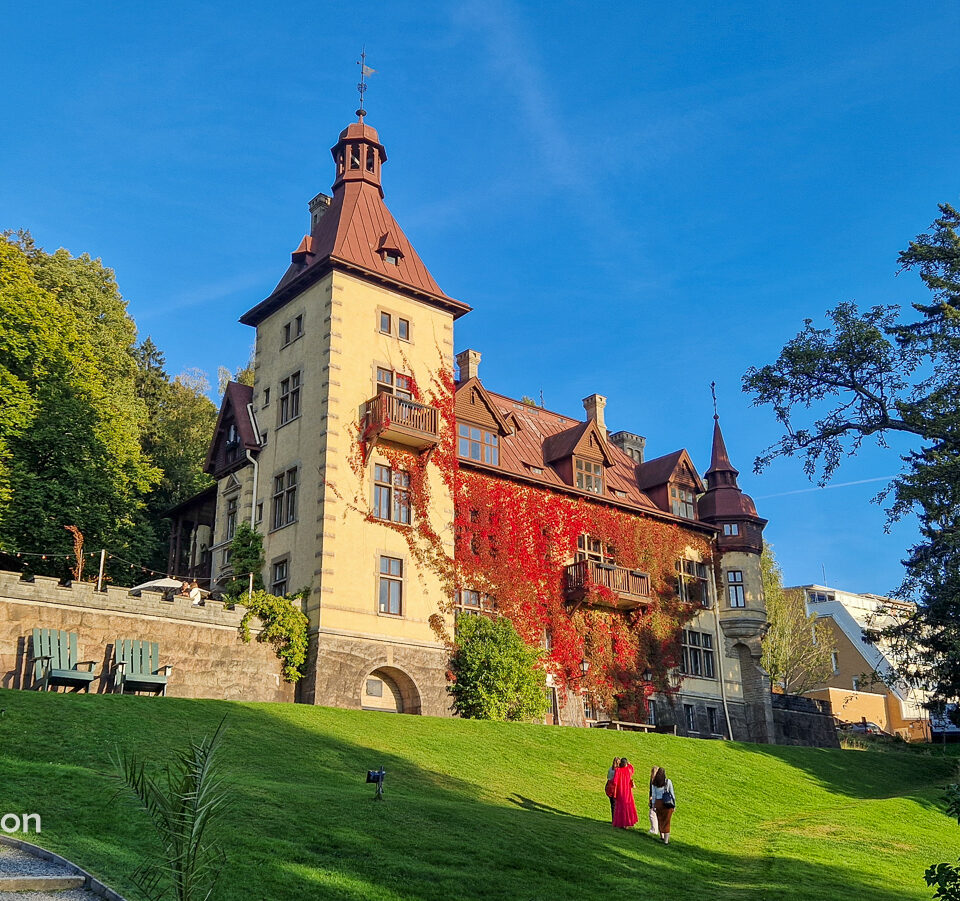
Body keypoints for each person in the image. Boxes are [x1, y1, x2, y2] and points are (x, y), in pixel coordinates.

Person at [651, 766, 676, 844]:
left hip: (658, 803)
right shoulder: (668, 782)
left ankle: (661, 836)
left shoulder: (654, 783)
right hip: (667, 804)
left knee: (660, 819)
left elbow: (654, 795)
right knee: (667, 821)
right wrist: (674, 805)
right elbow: (672, 794)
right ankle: (666, 840)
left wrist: (653, 805)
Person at [612, 757, 638, 829]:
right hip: (628, 791)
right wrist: (629, 764)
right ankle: (627, 823)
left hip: (620, 791)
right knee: (628, 806)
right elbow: (632, 768)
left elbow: (615, 781)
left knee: (620, 806)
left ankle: (621, 823)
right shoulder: (628, 770)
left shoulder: (618, 770)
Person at [605, 757, 621, 821]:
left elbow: (608, 777)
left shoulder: (610, 769)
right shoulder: (618, 771)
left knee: (612, 805)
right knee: (616, 805)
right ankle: (616, 819)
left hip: (609, 787)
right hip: (615, 788)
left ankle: (613, 819)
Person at [647, 766, 660, 835]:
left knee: (652, 814)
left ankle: (654, 830)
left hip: (656, 799)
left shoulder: (656, 781)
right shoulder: (652, 780)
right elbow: (651, 791)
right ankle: (654, 829)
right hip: (653, 799)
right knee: (653, 814)